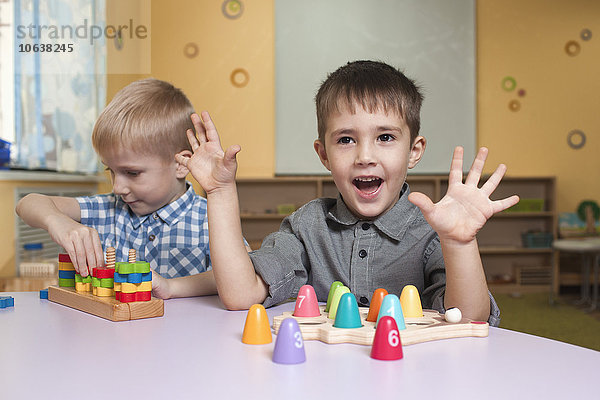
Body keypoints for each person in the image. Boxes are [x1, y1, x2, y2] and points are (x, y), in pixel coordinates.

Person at [176, 60, 519, 325]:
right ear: (323, 154)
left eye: (385, 137)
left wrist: (459, 243)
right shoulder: (306, 226)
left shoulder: (432, 231)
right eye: (345, 139)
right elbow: (239, 295)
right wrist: (220, 191)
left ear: (414, 151)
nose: (365, 156)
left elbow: (470, 318)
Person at [16, 78, 229, 299]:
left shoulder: (210, 218)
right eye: (111, 171)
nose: (117, 187)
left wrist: (172, 287)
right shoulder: (106, 209)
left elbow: (242, 273)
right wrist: (57, 221)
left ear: (180, 164)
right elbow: (27, 203)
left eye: (132, 173)